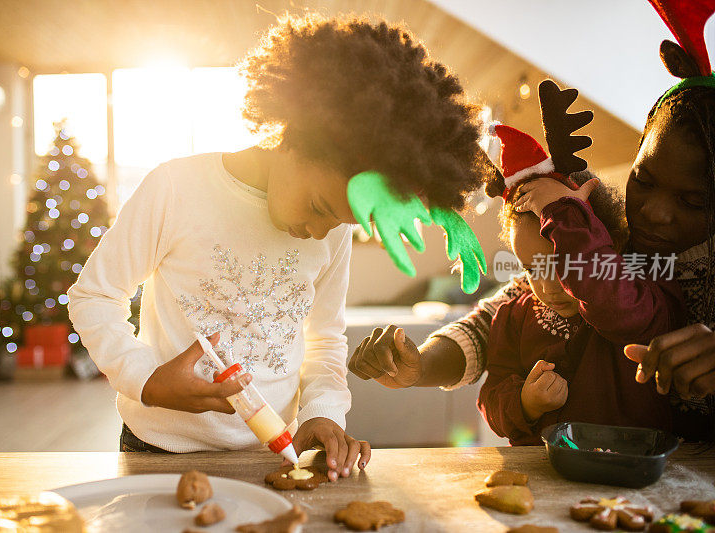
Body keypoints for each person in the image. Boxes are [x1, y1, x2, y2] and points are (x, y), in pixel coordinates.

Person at [68, 13, 492, 478]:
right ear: (298, 136)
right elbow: (94, 296)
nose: (320, 230)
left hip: (272, 449)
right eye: (318, 206)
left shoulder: (335, 231)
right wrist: (146, 380)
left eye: (340, 221)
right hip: (158, 450)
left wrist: (323, 412)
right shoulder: (175, 189)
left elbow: (325, 336)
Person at [348, 38, 715, 442]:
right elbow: (490, 345)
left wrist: (565, 215)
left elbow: (611, 297)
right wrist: (427, 368)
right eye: (643, 179)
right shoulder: (526, 305)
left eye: (694, 200)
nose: (654, 212)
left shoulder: (645, 286)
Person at [476, 125, 685, 443]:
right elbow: (491, 398)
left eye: (562, 264)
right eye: (532, 269)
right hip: (541, 482)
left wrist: (563, 213)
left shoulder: (642, 296)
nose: (546, 286)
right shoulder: (511, 318)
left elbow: (605, 295)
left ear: (610, 244)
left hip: (625, 478)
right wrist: (524, 403)